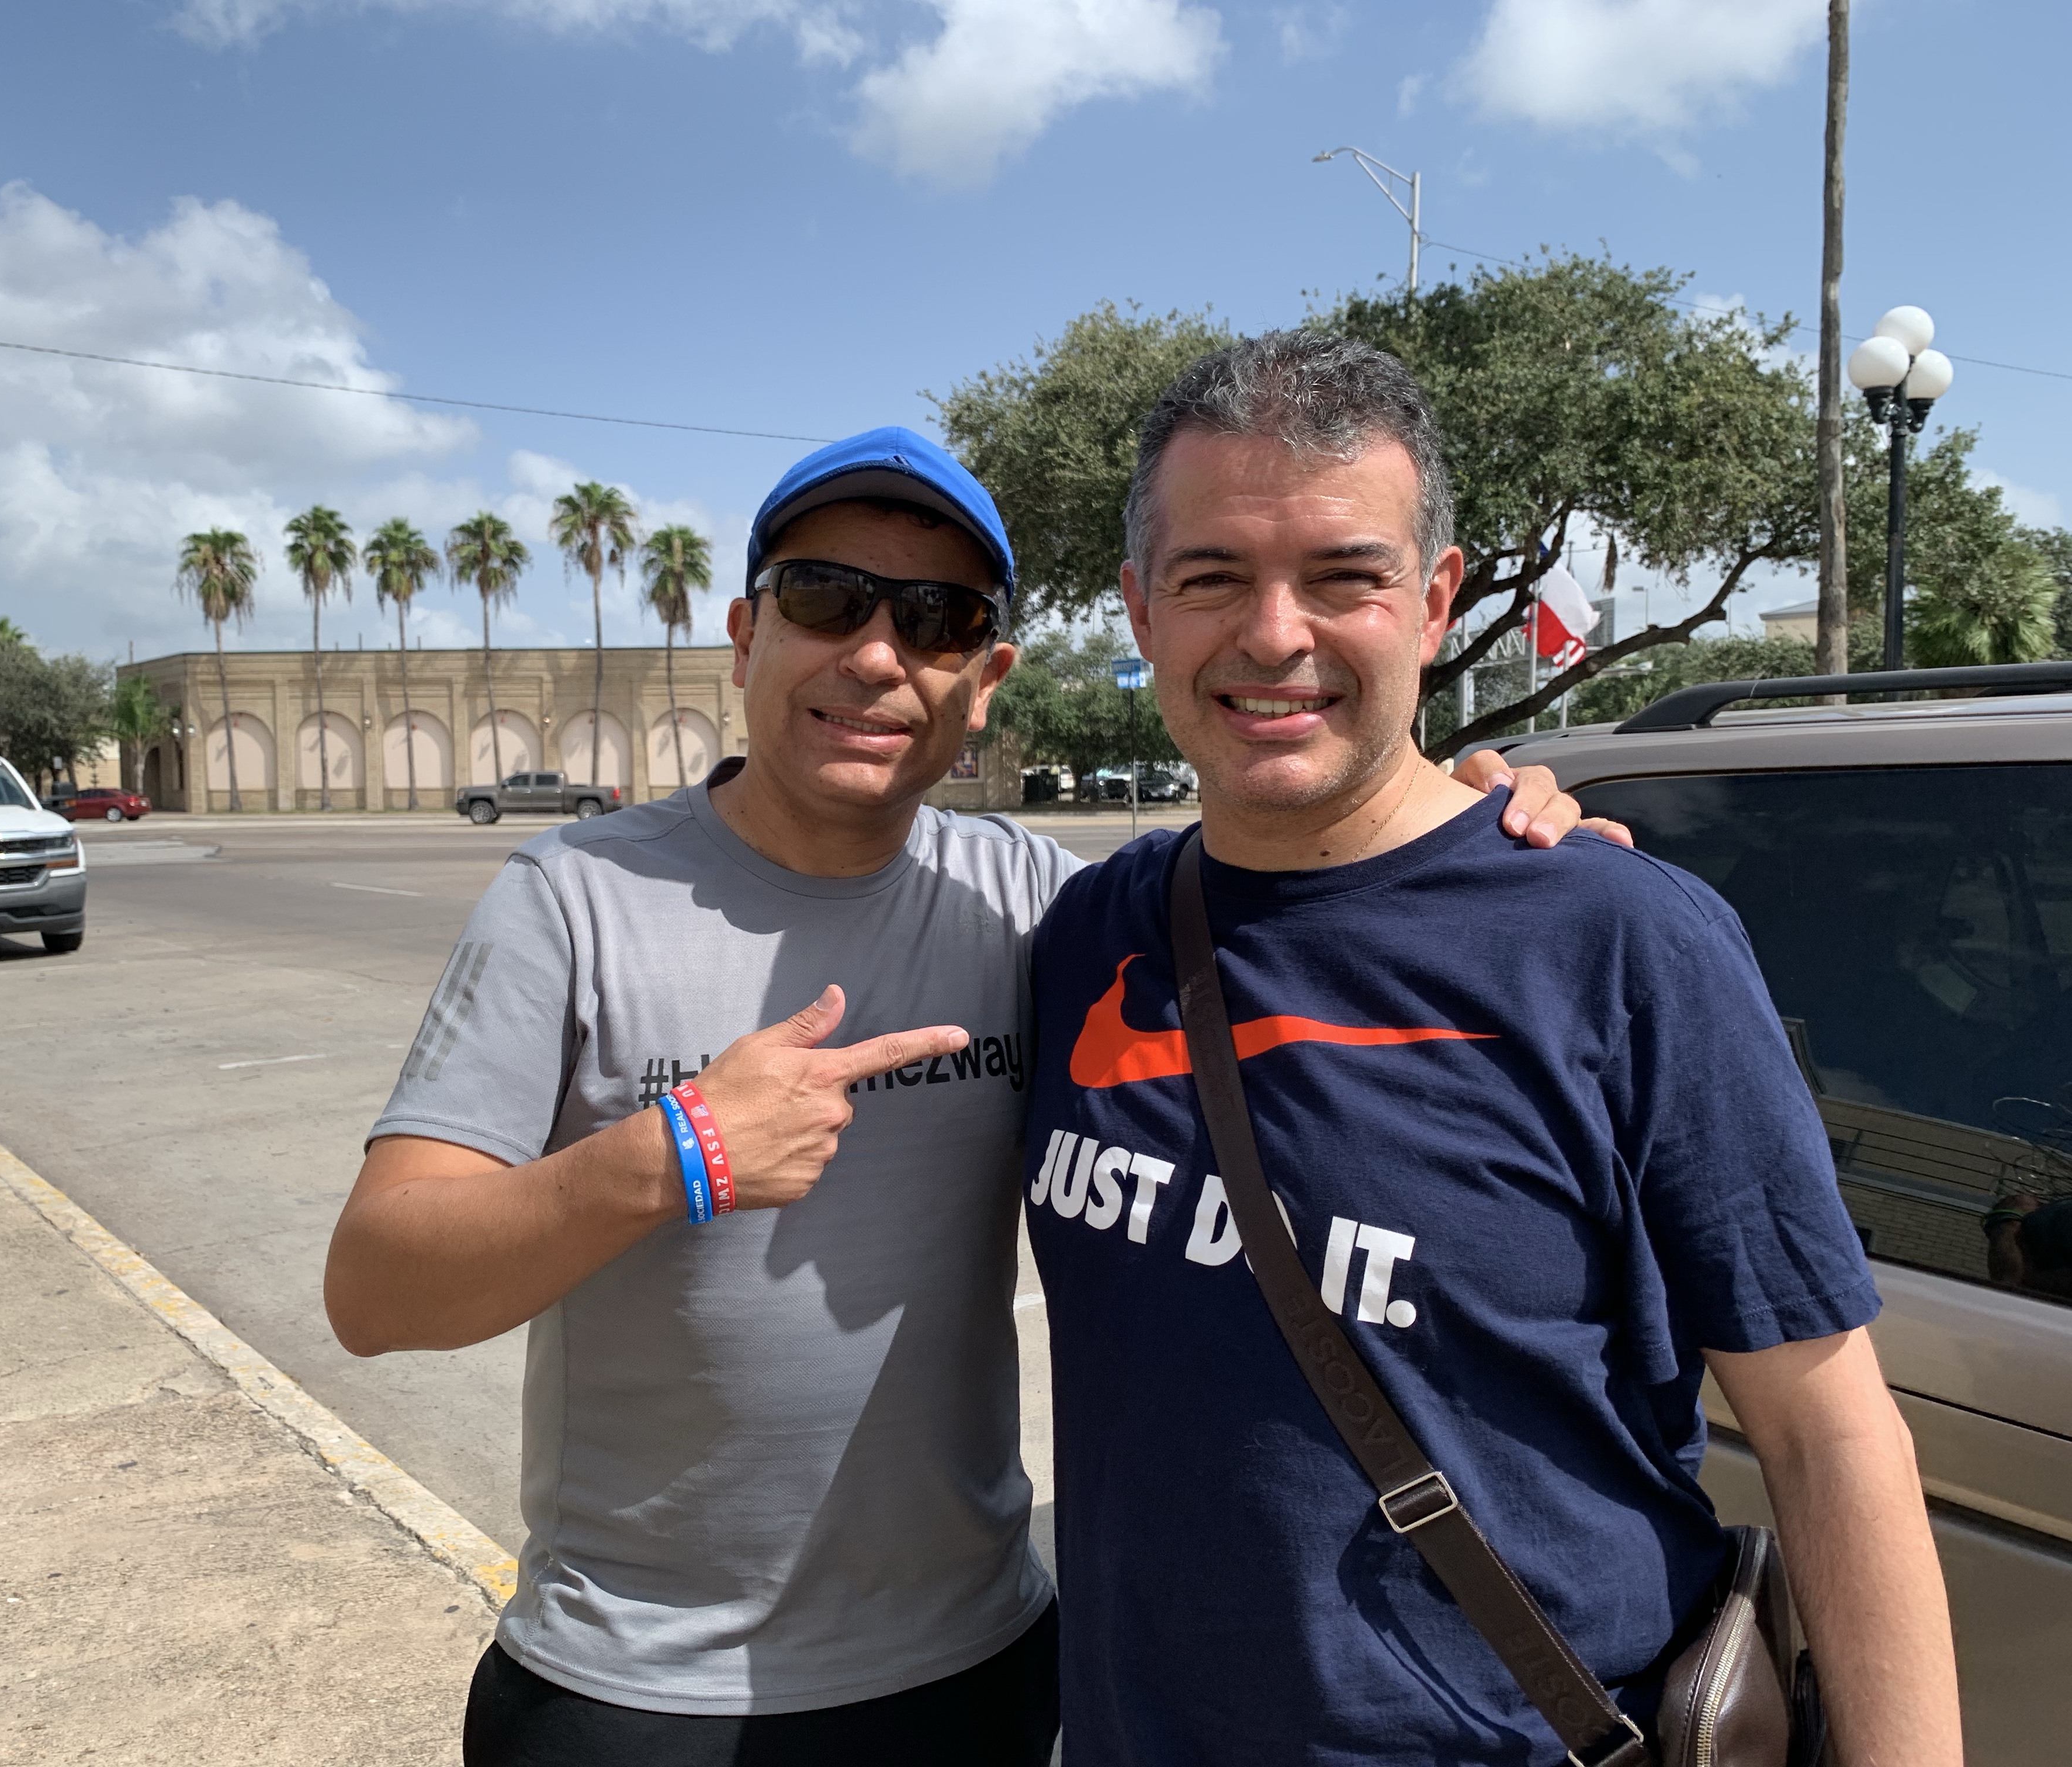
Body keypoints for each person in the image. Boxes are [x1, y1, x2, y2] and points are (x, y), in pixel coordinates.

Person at [324, 425, 1601, 1766]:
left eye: (938, 621)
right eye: (827, 599)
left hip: (980, 1675)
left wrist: (1474, 826)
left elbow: (1307, 902)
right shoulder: (575, 901)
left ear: (984, 681)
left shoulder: (1039, 906)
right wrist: (676, 1154)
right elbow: (378, 1292)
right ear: (747, 637)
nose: (879, 656)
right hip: (642, 1692)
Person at [1023, 331, 1962, 1765]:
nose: (1275, 634)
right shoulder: (1090, 931)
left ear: (1434, 601)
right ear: (1142, 609)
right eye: (1213, 577)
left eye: (1344, 576)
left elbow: (1829, 1436)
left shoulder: (1621, 941)